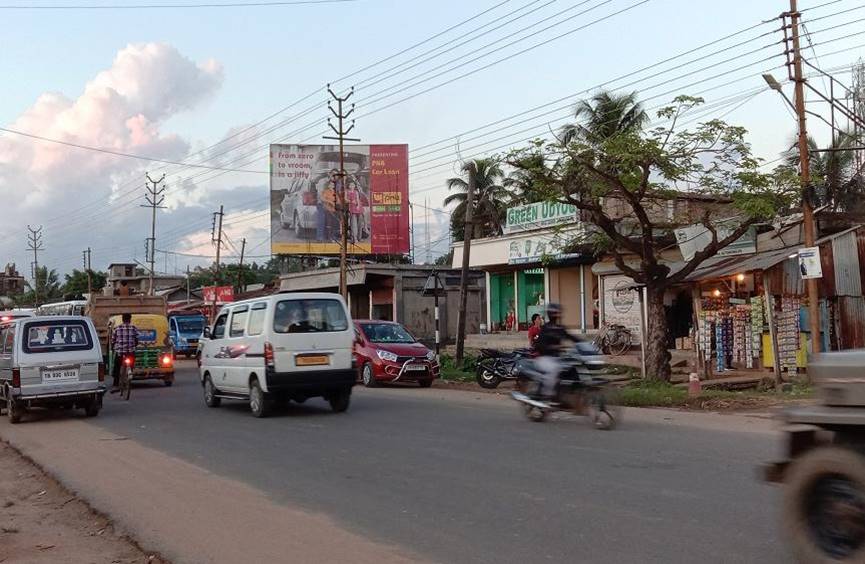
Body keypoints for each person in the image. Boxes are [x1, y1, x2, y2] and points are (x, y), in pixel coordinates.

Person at [533, 303, 578, 401]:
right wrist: (554, 347)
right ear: (551, 314)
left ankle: (565, 393)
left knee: (572, 367)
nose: (557, 315)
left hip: (557, 358)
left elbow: (571, 337)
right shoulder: (545, 328)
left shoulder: (560, 328)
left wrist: (583, 343)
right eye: (555, 313)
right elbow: (539, 345)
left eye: (558, 313)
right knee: (554, 369)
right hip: (545, 358)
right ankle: (548, 395)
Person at [111, 313, 139, 390]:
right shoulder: (133, 328)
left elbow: (113, 341)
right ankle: (130, 375)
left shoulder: (117, 328)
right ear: (130, 319)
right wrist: (134, 345)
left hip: (120, 352)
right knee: (131, 364)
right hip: (130, 352)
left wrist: (113, 347)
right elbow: (137, 340)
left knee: (117, 366)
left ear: (122, 319)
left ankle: (115, 384)